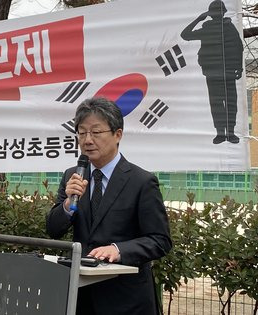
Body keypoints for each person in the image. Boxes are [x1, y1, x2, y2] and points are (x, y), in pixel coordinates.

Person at [46, 97, 172, 314]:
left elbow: (160, 240)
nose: (87, 140)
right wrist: (68, 203)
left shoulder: (141, 181)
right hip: (81, 297)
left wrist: (118, 249)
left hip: (125, 300)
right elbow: (53, 229)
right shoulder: (73, 175)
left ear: (117, 134)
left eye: (96, 132)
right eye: (82, 132)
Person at [181, 0, 243, 144]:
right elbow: (185, 35)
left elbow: (238, 47)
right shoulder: (207, 29)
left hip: (228, 72)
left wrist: (239, 68)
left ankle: (231, 133)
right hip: (212, 72)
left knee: (230, 103)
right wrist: (199, 19)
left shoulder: (229, 27)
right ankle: (220, 133)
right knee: (216, 103)